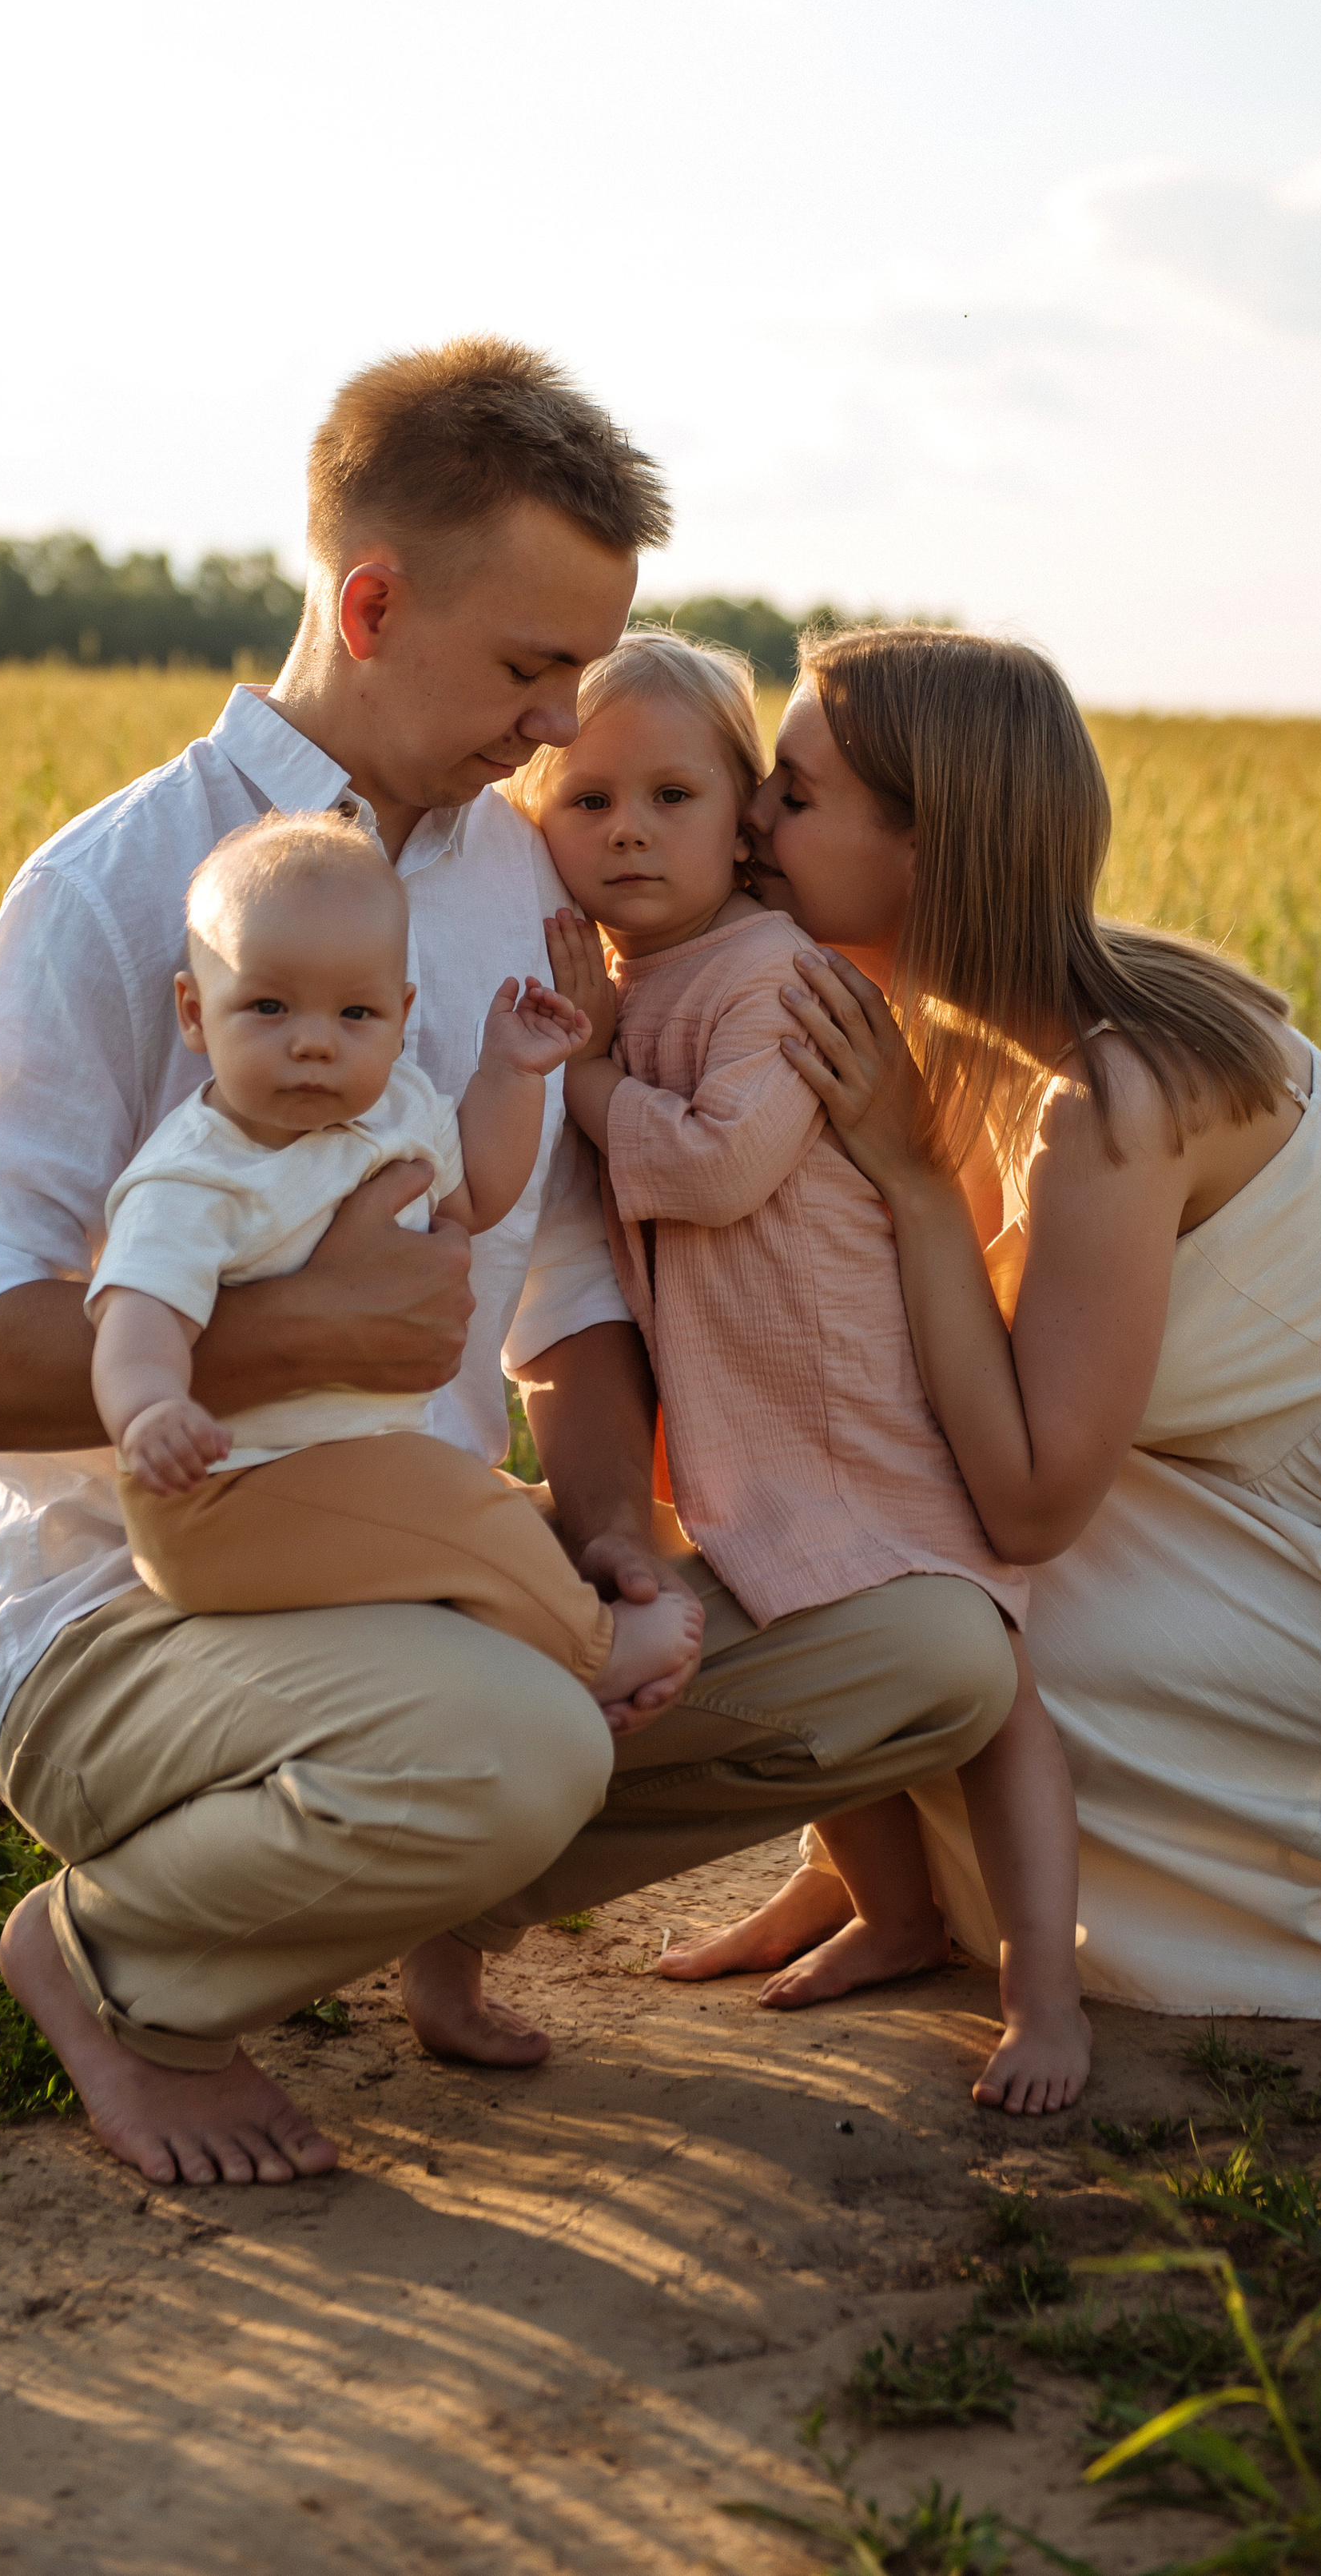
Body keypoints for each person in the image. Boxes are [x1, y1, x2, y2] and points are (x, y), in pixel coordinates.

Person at [0, 341, 1017, 2190]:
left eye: (582, 667)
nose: (563, 722)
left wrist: (602, 1517)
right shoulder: (113, 889)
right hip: (136, 1616)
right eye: (528, 665)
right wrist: (270, 1336)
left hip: (437, 1589)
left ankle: (420, 1853)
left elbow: (559, 1265)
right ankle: (112, 1958)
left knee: (933, 1653)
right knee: (511, 1742)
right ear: (372, 602)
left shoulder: (509, 884)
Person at [666, 627, 1321, 2023]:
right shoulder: (963, 1019)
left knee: (934, 1595)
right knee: (871, 1510)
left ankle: (950, 1895)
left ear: (928, 846)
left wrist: (910, 1180)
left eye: (795, 791)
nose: (752, 818)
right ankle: (879, 1875)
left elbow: (1024, 1502)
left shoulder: (1112, 1091)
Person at [520, 632, 1088, 2113]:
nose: (630, 827)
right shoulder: (647, 976)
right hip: (767, 1425)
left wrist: (577, 1071)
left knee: (995, 1702)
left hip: (863, 1409)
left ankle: (1045, 1991)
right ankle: (893, 1912)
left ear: (737, 815)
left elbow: (714, 1166)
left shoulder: (774, 976)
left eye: (677, 793)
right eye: (587, 801)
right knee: (846, 1688)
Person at [88, 809, 703, 1715]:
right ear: (194, 1012)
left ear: (400, 1016)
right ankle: (593, 1648)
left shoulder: (397, 1112)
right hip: (224, 1501)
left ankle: (514, 1656)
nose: (313, 1040)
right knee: (464, 1508)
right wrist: (150, 1411)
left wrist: (510, 1075)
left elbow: (472, 1202)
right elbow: (137, 1316)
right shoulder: (199, 1176)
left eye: (355, 1013)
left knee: (459, 1513)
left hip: (346, 1473)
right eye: (268, 1007)